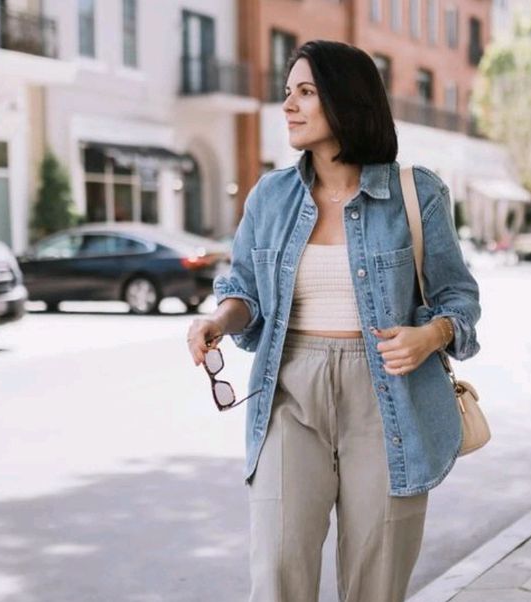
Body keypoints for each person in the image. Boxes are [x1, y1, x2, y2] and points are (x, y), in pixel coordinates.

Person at [186, 40, 481, 602]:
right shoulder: (270, 197)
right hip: (290, 393)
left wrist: (430, 336)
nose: (289, 106)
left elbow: (460, 300)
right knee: (277, 573)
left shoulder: (416, 194)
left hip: (389, 399)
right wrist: (219, 320)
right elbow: (243, 289)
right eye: (287, 93)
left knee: (375, 581)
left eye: (306, 92)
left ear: (346, 101)